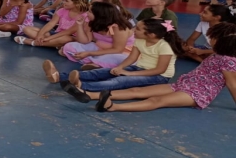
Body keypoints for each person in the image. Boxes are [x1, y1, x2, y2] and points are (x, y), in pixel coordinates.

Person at [92, 33, 236, 113]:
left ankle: (113, 107)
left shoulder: (229, 61)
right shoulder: (216, 55)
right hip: (184, 84)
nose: (212, 42)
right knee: (137, 90)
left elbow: (231, 83)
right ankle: (90, 95)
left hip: (198, 93)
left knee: (156, 101)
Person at [46, 19, 183, 100]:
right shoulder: (140, 40)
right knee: (104, 72)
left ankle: (82, 86)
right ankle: (60, 76)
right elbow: (132, 57)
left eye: (138, 29)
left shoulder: (165, 46)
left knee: (120, 80)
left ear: (151, 34)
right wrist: (120, 67)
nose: (134, 30)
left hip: (158, 76)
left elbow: (160, 70)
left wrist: (129, 73)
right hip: (139, 68)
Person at [60, 2, 135, 70]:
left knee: (116, 58)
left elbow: (118, 50)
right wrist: (80, 25)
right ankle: (96, 62)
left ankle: (94, 61)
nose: (86, 13)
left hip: (121, 53)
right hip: (99, 48)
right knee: (69, 46)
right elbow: (85, 41)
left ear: (99, 15)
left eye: (89, 11)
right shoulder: (92, 22)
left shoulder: (118, 28)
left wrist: (89, 53)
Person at [15, 0, 89, 48]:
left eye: (66, 1)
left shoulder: (84, 16)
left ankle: (34, 43)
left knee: (66, 39)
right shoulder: (62, 10)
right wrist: (40, 35)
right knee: (26, 29)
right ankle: (53, 44)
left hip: (71, 37)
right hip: (57, 33)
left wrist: (49, 38)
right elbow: (51, 23)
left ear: (76, 3)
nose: (63, 2)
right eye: (64, 0)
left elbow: (68, 32)